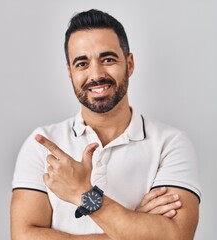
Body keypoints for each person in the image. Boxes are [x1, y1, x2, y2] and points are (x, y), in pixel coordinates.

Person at [10, 9, 201, 240]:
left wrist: (83, 193)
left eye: (108, 59)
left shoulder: (170, 144)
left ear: (129, 64)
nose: (96, 74)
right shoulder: (42, 144)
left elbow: (177, 236)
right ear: (70, 73)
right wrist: (132, 228)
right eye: (82, 63)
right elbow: (22, 236)